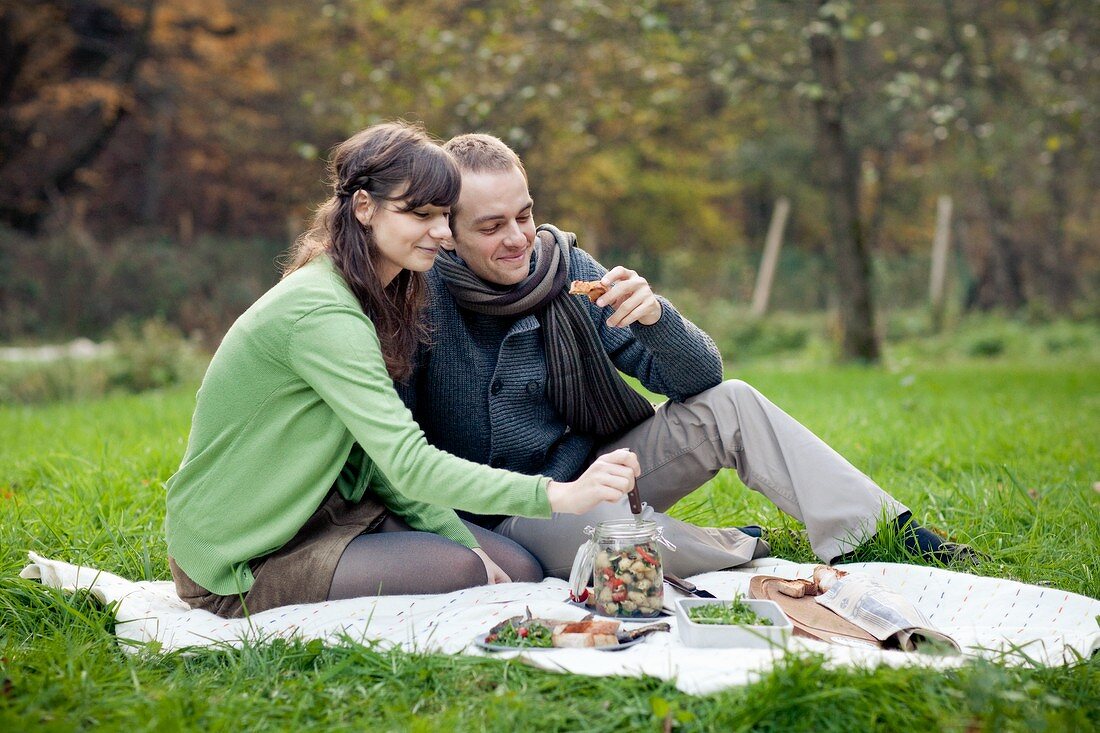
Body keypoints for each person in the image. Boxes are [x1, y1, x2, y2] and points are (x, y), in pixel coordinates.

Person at [396, 132, 975, 580]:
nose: (519, 238)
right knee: (609, 540)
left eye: (523, 215)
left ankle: (883, 531)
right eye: (492, 226)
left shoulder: (563, 267)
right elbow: (396, 455)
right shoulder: (420, 301)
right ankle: (737, 545)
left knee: (733, 403)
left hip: (601, 470)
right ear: (447, 230)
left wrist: (655, 319)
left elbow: (703, 379)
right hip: (506, 509)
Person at [164, 122, 640, 618]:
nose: (440, 230)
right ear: (365, 207)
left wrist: (455, 533)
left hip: (327, 509)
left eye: (443, 214)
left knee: (518, 569)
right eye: (419, 213)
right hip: (242, 554)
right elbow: (407, 462)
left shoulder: (378, 293)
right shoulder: (323, 313)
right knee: (465, 573)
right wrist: (560, 494)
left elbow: (377, 462)